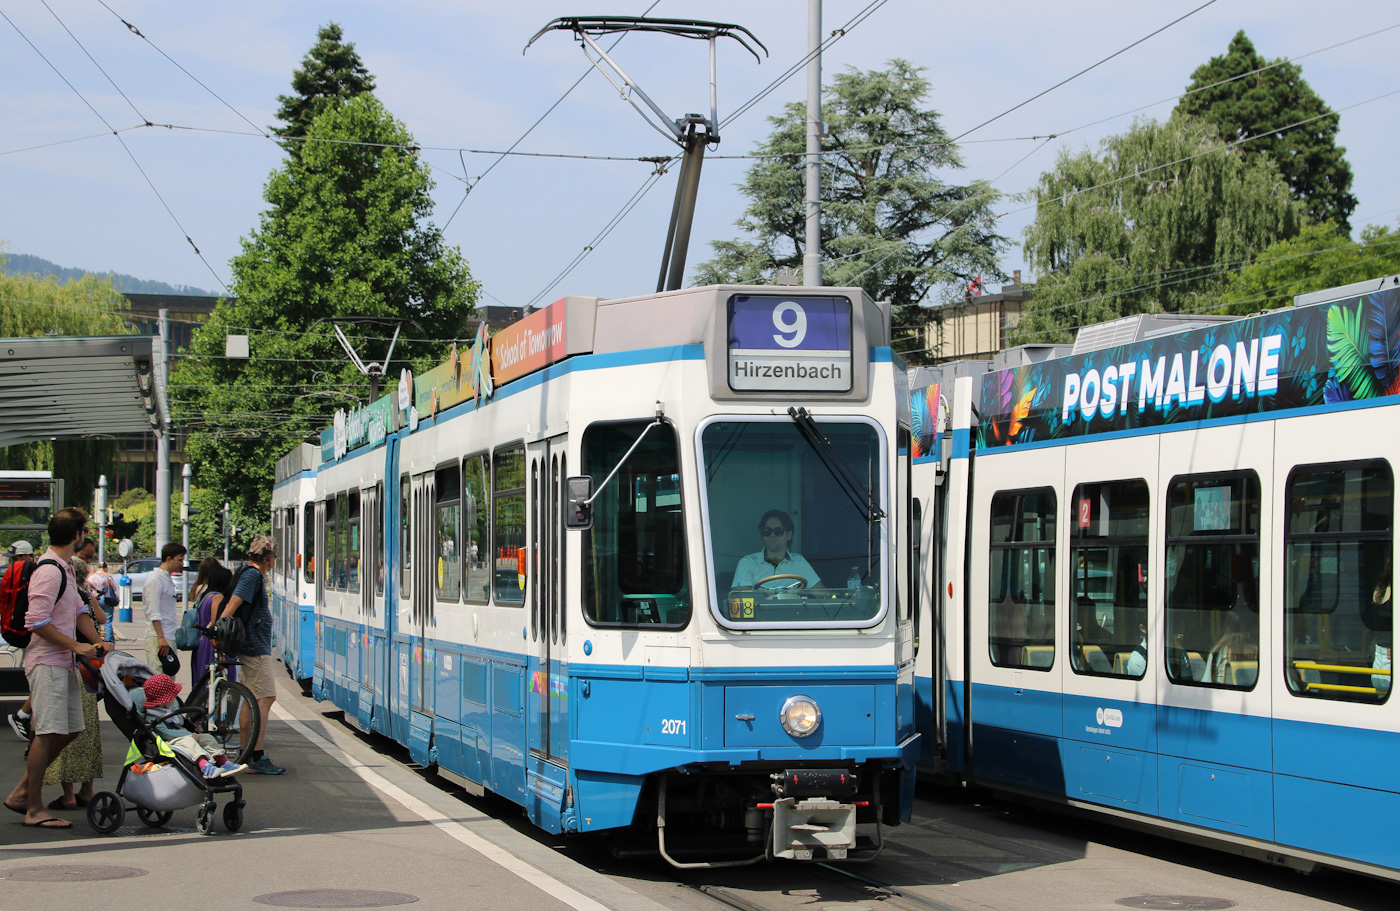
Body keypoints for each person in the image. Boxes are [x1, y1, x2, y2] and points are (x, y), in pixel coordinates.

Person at [3, 507, 104, 830]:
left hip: (63, 662)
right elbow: (36, 622)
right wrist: (76, 645)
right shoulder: (49, 571)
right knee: (46, 735)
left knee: (71, 728)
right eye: (84, 531)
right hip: (46, 663)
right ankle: (32, 807)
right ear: (76, 535)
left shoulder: (65, 569)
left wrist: (97, 641)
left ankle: (22, 792)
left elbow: (78, 612)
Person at [42, 558, 106, 811]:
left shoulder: (61, 594)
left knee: (62, 731)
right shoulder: (85, 595)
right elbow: (100, 618)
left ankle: (68, 794)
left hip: (67, 663)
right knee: (88, 732)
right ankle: (87, 789)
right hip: (89, 669)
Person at [216, 536, 283, 774]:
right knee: (265, 698)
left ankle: (247, 752)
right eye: (274, 556)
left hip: (252, 646)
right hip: (254, 648)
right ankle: (256, 755)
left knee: (253, 699)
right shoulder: (253, 576)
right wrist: (220, 630)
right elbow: (234, 603)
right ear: (269, 558)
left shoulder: (248, 573)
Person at [135, 673, 244, 777]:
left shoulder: (168, 710)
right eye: (173, 695)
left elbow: (181, 722)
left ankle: (223, 762)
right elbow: (166, 732)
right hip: (168, 741)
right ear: (165, 699)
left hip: (182, 735)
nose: (175, 697)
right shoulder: (153, 717)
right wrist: (188, 734)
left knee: (207, 738)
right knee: (190, 742)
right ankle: (205, 767)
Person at [731, 510, 824, 590]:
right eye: (767, 531)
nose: (772, 535)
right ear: (763, 535)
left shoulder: (799, 562)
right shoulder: (748, 562)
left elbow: (822, 594)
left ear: (789, 535)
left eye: (778, 531)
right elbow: (741, 600)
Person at [5, 540, 37, 741]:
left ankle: (26, 717)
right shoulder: (35, 572)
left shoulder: (16, 575)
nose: (13, 564)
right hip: (35, 634)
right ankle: (23, 716)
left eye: (15, 559)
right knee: (42, 682)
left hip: (21, 632)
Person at [142, 542, 187, 673]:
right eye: (179, 560)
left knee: (168, 678)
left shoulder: (166, 578)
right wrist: (161, 637)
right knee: (159, 678)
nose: (182, 564)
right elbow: (153, 611)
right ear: (169, 559)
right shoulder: (155, 580)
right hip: (159, 637)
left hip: (168, 635)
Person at [192, 564, 234, 689]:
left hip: (202, 642)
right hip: (211, 643)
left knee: (202, 681)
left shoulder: (205, 596)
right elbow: (216, 623)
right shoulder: (218, 597)